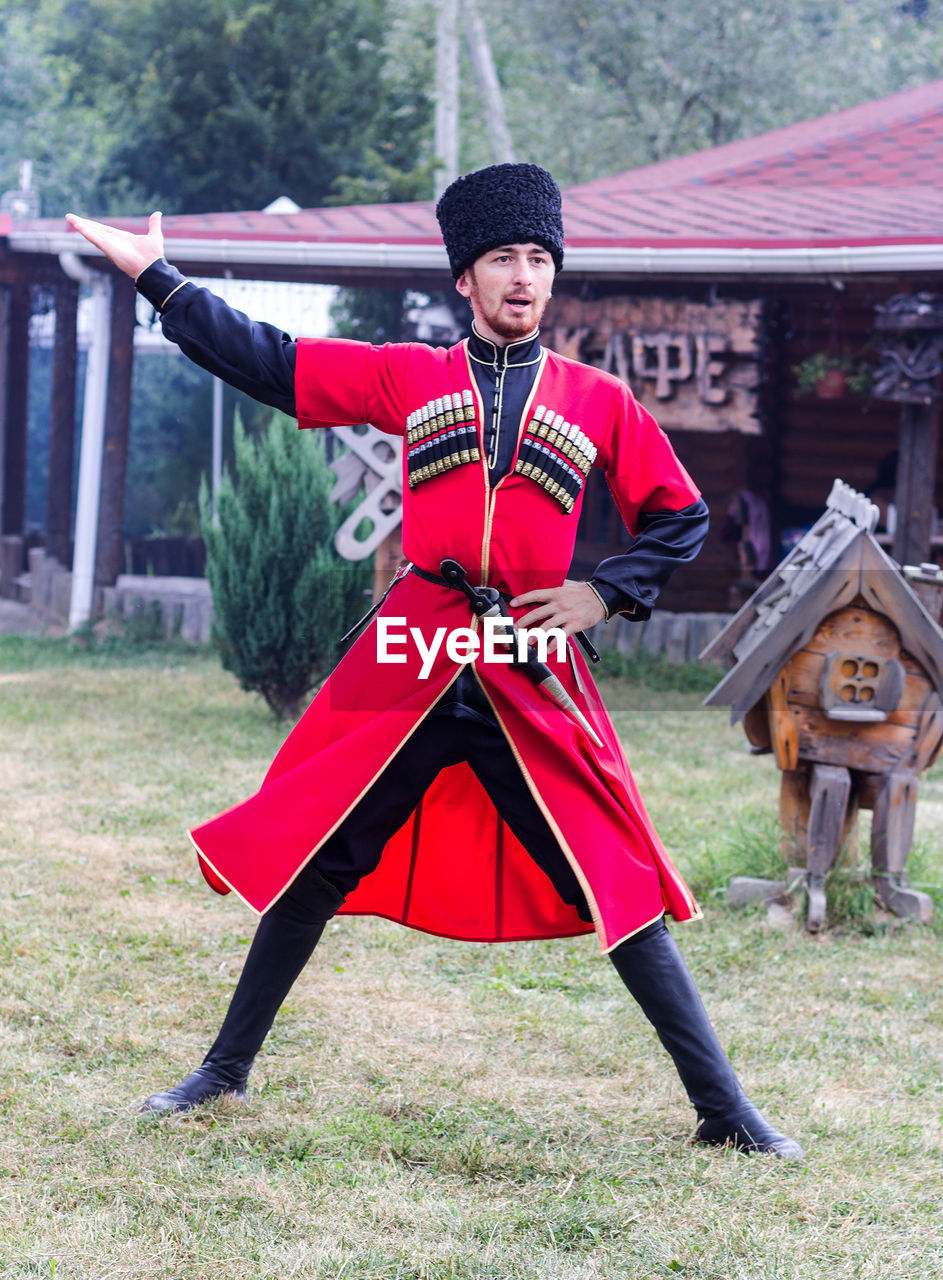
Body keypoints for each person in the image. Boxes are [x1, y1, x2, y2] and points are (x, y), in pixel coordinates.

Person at [67, 163, 801, 1158]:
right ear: (466, 277)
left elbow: (680, 515)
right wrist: (159, 277)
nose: (523, 276)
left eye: (539, 259)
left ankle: (724, 1107)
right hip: (414, 654)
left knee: (612, 875)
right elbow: (272, 361)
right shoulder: (408, 376)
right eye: (503, 258)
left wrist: (600, 591)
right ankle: (223, 1070)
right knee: (319, 852)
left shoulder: (597, 401)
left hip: (526, 667)